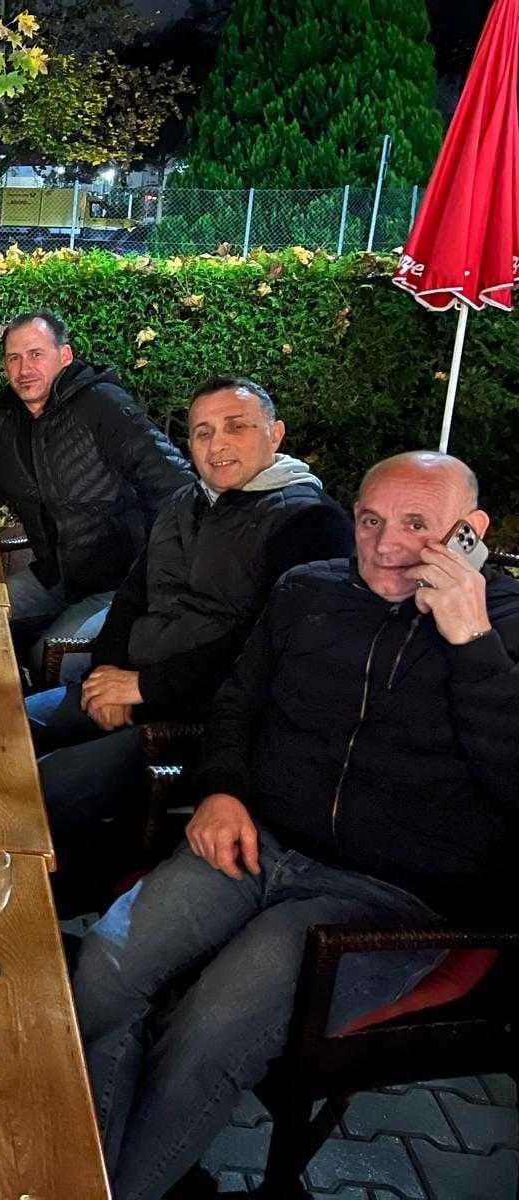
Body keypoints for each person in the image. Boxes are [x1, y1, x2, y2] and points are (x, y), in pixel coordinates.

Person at [73, 451, 518, 1200]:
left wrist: (473, 644)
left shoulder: (506, 625)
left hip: (383, 898)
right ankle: (88, 1166)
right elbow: (236, 707)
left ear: (470, 532)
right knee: (106, 965)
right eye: (370, 521)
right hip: (256, 842)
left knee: (212, 1027)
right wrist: (221, 791)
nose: (386, 546)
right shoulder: (309, 590)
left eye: (418, 525)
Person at [27, 377, 354, 844]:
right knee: (3, 728)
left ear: (275, 433)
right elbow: (132, 596)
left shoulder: (310, 523)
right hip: (129, 684)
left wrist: (144, 688)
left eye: (235, 427)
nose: (216, 444)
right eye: (203, 432)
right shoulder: (185, 501)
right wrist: (106, 674)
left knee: (36, 788)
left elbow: (264, 653)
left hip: (198, 723)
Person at [0, 310, 192, 659]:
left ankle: (36, 691)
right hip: (53, 577)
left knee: (46, 656)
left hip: (118, 585)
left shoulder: (102, 404)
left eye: (36, 354)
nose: (24, 369)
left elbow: (175, 486)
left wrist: (157, 578)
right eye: (14, 358)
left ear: (65, 355)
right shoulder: (3, 417)